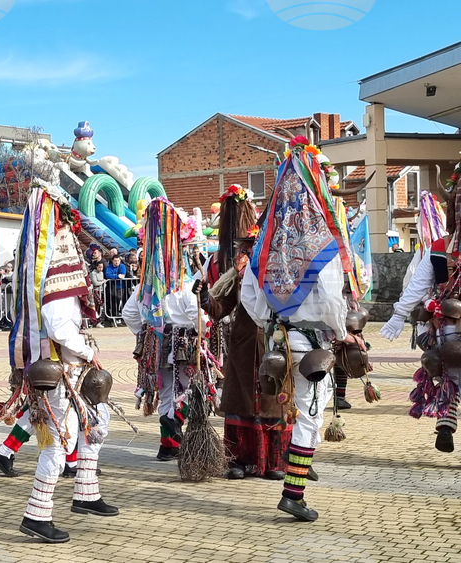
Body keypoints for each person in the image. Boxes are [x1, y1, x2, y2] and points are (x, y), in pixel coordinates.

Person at [0, 182, 115, 544]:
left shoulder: (51, 272)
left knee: (96, 425)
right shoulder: (58, 280)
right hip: (61, 369)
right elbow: (60, 326)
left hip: (67, 369)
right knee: (56, 445)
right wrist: (87, 349)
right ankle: (36, 516)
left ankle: (86, 494)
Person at [242, 136, 350, 522]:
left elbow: (249, 298)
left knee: (291, 409)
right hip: (312, 344)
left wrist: (271, 325)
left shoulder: (265, 246)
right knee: (310, 416)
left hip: (278, 341)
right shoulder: (322, 244)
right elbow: (335, 300)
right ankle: (294, 494)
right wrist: (338, 332)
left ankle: (295, 474)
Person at [203, 188, 289, 480]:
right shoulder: (237, 273)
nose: (249, 250)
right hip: (242, 345)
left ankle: (274, 462)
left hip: (274, 343)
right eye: (247, 245)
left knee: (273, 396)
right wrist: (205, 298)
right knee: (241, 402)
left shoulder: (282, 270)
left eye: (255, 244)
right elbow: (221, 307)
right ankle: (239, 461)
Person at [380, 185, 458, 453]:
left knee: (453, 374)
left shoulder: (438, 246)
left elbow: (416, 286)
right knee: (453, 371)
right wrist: (401, 313)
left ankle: (446, 424)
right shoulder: (437, 248)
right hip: (444, 322)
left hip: (444, 326)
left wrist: (399, 315)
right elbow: (417, 287)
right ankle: (446, 423)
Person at [122, 198, 201, 462]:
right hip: (182, 344)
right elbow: (196, 316)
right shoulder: (183, 284)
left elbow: (129, 313)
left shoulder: (145, 285)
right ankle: (172, 426)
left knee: (167, 391)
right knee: (190, 389)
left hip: (155, 345)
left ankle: (167, 446)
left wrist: (144, 332)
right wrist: (199, 331)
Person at [104, 255, 127, 319]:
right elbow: (107, 275)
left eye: (118, 260)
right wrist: (117, 276)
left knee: (118, 300)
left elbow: (123, 275)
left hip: (120, 287)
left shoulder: (122, 266)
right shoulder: (109, 267)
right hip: (111, 287)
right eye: (115, 261)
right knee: (111, 301)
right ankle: (111, 316)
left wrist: (114, 276)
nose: (116, 262)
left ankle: (118, 315)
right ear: (112, 261)